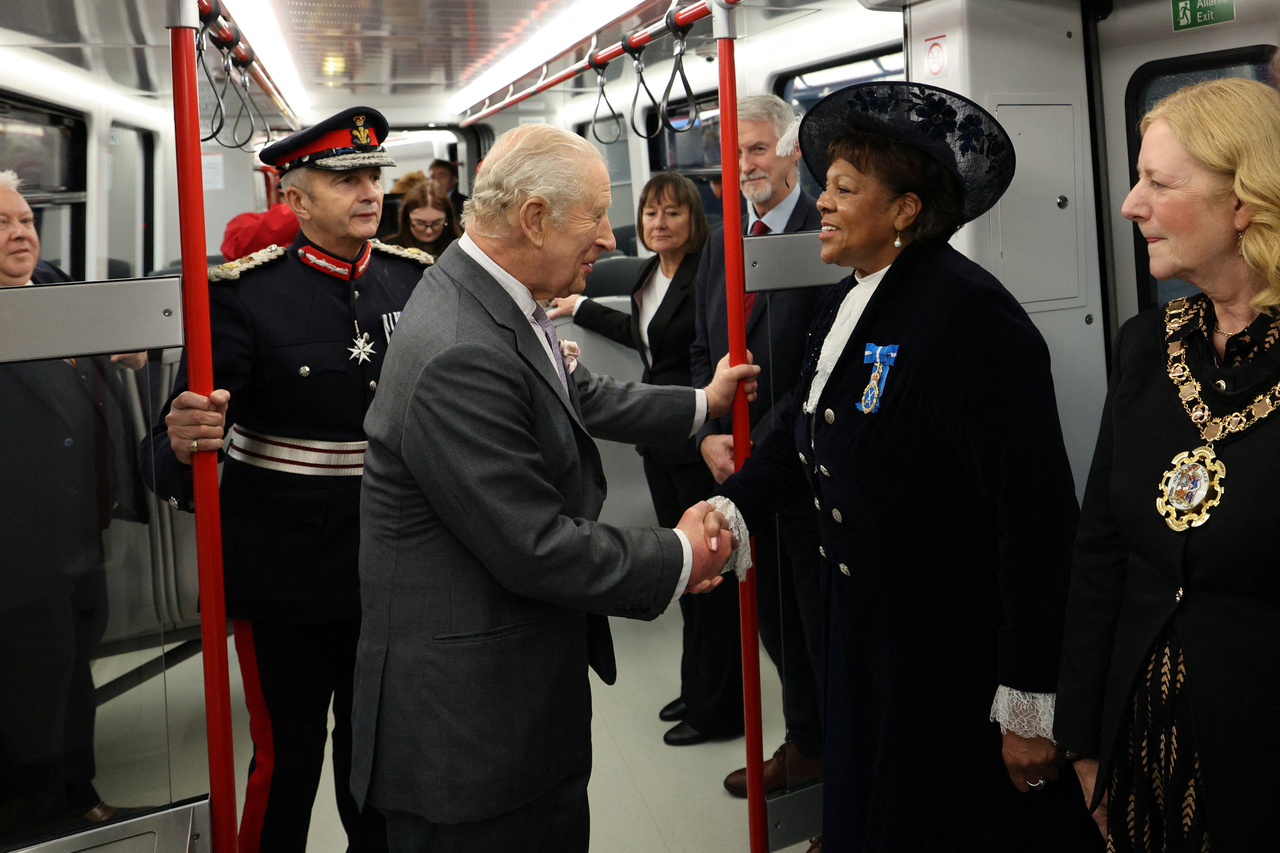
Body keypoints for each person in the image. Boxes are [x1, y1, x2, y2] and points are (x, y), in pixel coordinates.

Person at [705, 82, 1103, 851]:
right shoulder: (854, 296)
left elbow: (1038, 522)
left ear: (906, 211)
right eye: (827, 184)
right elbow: (801, 424)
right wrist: (731, 510)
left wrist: (1028, 699)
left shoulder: (970, 319)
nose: (821, 202)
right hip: (866, 641)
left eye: (845, 189)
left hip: (948, 663)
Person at [349, 123, 760, 853]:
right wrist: (681, 552)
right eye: (596, 216)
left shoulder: (489, 296)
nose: (609, 237)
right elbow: (533, 544)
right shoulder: (459, 347)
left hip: (507, 701)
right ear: (535, 218)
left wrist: (703, 402)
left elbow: (579, 393)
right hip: (473, 735)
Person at [143, 107, 432, 853]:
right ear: (295, 200)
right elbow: (173, 446)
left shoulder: (417, 282)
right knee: (287, 758)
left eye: (372, 175)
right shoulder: (240, 295)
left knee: (379, 754)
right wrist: (180, 440)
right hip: (283, 571)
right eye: (344, 179)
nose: (369, 190)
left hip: (395, 560)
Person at [1056, 77, 1280, 852]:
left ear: (1243, 203)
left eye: (1158, 182)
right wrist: (1084, 739)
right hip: (1142, 738)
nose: (1130, 204)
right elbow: (1100, 552)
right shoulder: (1146, 346)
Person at [548, 173, 743, 744]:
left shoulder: (707, 272)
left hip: (696, 444)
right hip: (662, 445)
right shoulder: (645, 274)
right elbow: (643, 336)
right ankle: (697, 688)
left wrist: (713, 426)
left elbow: (704, 349)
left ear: (694, 220)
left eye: (673, 215)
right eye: (651, 215)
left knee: (713, 578)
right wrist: (581, 307)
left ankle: (721, 707)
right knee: (688, 576)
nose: (659, 225)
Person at [0, 169, 144, 843]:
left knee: (74, 671)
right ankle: (34, 810)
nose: (20, 233)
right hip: (18, 545)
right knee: (32, 682)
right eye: (1, 224)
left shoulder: (53, 287)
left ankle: (78, 791)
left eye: (25, 219)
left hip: (85, 530)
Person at [691, 95, 828, 793]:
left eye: (755, 148)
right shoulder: (722, 239)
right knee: (771, 616)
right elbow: (701, 346)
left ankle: (839, 769)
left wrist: (756, 447)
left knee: (819, 627)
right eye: (734, 152)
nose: (743, 165)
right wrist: (713, 435)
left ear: (793, 150)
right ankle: (805, 743)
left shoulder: (822, 234)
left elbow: (819, 370)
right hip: (738, 468)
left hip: (804, 472)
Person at [387, 182, 460, 257]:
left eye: (436, 223)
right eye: (420, 223)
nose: (429, 231)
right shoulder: (391, 251)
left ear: (447, 219)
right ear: (407, 219)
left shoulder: (460, 250)